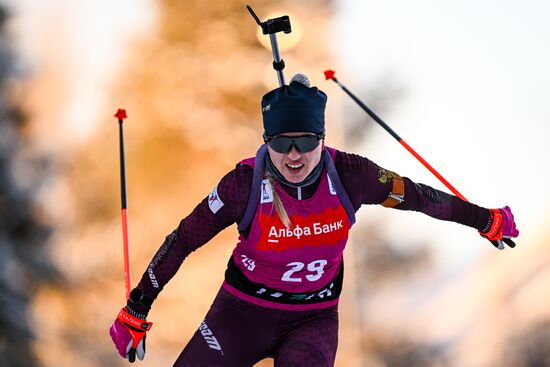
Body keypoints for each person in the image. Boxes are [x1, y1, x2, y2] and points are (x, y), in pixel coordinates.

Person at [109, 74, 519, 366]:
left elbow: (417, 197)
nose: (293, 156)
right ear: (266, 141)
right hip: (239, 315)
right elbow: (184, 239)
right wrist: (137, 307)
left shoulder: (352, 176)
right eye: (281, 143)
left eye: (305, 141)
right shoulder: (243, 184)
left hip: (313, 318)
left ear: (322, 139)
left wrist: (485, 219)